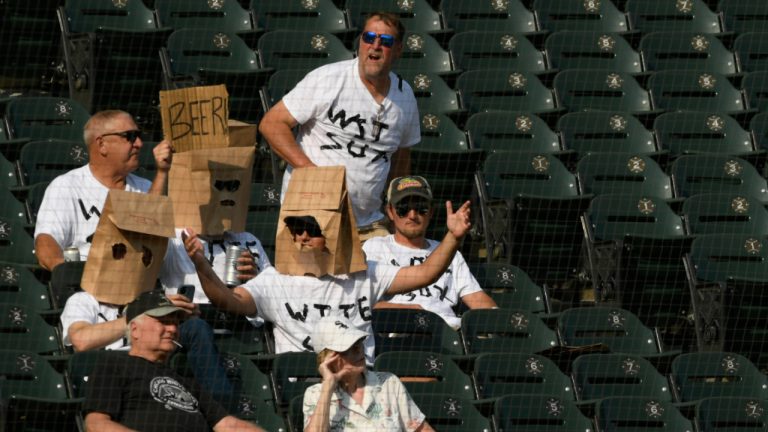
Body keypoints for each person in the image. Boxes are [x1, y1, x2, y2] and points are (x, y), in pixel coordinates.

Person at [183, 198, 471, 364]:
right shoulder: (274, 279)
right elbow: (228, 300)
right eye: (296, 230)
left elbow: (425, 274)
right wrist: (201, 265)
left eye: (312, 229)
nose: (302, 237)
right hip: (307, 380)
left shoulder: (363, 273)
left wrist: (453, 237)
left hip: (362, 376)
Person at [259, 11, 420, 241]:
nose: (375, 46)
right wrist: (311, 172)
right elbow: (271, 124)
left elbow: (402, 156)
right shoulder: (328, 79)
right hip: (312, 218)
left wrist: (396, 207)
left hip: (368, 224)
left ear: (398, 50)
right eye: (368, 37)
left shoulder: (405, 98)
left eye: (385, 41)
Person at [83, 290, 265, 432]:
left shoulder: (185, 381)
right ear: (135, 329)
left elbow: (227, 424)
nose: (172, 329)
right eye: (163, 322)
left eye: (175, 323)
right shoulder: (113, 365)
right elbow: (95, 424)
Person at [34, 110, 173, 270]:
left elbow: (154, 239)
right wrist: (70, 276)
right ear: (102, 145)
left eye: (139, 135)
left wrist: (162, 172)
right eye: (130, 136)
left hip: (141, 284)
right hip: (89, 284)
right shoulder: (67, 187)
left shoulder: (147, 188)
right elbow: (46, 242)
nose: (139, 143)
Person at [61, 288, 236, 404]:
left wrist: (178, 314)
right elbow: (80, 341)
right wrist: (143, 314)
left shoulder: (152, 295)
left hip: (157, 368)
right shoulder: (83, 300)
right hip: (113, 375)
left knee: (196, 327)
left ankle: (222, 405)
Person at [363, 176, 497, 329]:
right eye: (403, 208)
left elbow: (476, 298)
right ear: (390, 212)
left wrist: (501, 323)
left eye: (421, 207)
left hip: (447, 332)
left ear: (431, 212)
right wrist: (408, 311)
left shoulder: (449, 252)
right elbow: (363, 303)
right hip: (397, 329)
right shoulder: (375, 247)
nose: (412, 215)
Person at [303, 317, 435, 432]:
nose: (359, 349)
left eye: (359, 342)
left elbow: (421, 429)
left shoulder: (388, 382)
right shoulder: (315, 394)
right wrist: (328, 387)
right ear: (329, 358)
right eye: (349, 347)